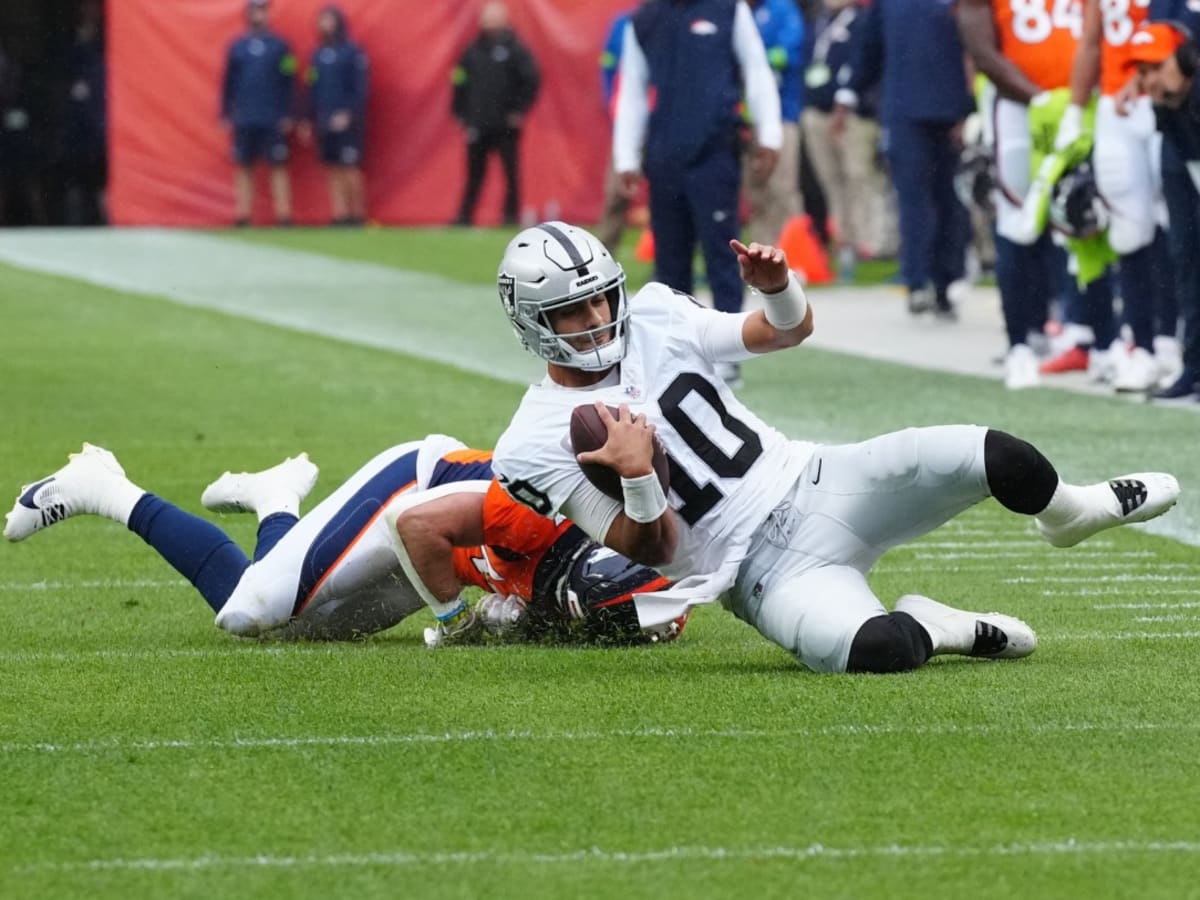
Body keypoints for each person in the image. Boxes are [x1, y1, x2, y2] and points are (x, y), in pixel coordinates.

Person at [491, 221, 1180, 674]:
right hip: (755, 572)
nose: (597, 320)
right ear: (531, 322)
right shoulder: (533, 440)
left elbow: (783, 333)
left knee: (997, 454)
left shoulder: (660, 316)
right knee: (879, 651)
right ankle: (937, 625)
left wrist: (779, 291)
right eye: (572, 312)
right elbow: (646, 547)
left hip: (817, 479)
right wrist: (639, 477)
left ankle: (1071, 511)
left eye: (602, 300)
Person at [3, 439, 683, 647]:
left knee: (299, 635)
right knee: (250, 610)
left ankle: (275, 501)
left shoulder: (619, 574)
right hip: (412, 494)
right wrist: (456, 623)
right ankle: (103, 487)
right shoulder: (538, 517)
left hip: (437, 552)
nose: (580, 619)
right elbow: (416, 524)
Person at [612, 0, 782, 387]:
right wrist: (626, 157)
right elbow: (633, 90)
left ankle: (729, 354)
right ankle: (677, 352)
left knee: (725, 254)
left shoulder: (727, 9)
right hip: (665, 154)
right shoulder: (644, 19)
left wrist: (768, 135)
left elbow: (757, 72)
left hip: (714, 151)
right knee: (671, 262)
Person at [1058, 0, 1180, 392]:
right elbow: (1092, 38)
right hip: (1118, 105)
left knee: (1176, 221)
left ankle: (1173, 339)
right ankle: (1142, 345)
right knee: (1130, 229)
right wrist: (1075, 109)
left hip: (1175, 100)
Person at [834, 0, 974, 319]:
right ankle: (918, 280)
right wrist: (849, 90)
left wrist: (971, 107)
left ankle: (946, 280)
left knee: (950, 199)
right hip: (905, 111)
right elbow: (869, 48)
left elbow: (976, 45)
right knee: (913, 200)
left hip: (951, 111)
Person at [1131, 21, 1200, 403]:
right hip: (1184, 166)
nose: (1150, 81)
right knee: (1186, 258)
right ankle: (1193, 368)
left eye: (1156, 68)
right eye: (1142, 73)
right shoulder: (1167, 107)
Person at [451, 2, 541, 227]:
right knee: (474, 173)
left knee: (510, 172)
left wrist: (518, 110)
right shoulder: (472, 49)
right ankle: (465, 215)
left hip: (505, 123)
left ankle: (510, 216)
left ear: (504, 18)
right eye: (487, 16)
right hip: (478, 122)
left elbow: (531, 79)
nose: (490, 20)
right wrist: (461, 111)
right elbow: (459, 79)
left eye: (494, 16)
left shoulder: (515, 48)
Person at [220, 0, 296, 227]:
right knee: (244, 166)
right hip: (245, 116)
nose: (259, 15)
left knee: (278, 165)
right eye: (255, 11)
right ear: (248, 14)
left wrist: (290, 113)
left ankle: (284, 215)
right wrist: (226, 113)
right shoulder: (237, 46)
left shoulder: (282, 46)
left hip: (273, 116)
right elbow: (228, 83)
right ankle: (243, 215)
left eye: (263, 11)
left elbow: (290, 80)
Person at [744, 0, 805, 247]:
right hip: (747, 120)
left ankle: (797, 253)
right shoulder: (735, 10)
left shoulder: (783, 10)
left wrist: (753, 57)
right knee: (756, 192)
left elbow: (788, 52)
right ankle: (762, 250)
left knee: (783, 188)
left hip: (782, 115)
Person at [303, 6, 369, 226]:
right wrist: (307, 118)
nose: (325, 25)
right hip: (324, 119)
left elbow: (360, 88)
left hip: (347, 120)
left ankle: (357, 214)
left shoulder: (352, 52)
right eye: (322, 20)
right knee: (332, 167)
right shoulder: (317, 55)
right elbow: (311, 88)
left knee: (350, 167)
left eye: (329, 20)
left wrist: (350, 113)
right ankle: (339, 214)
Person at [597, 7, 636, 252]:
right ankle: (602, 258)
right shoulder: (625, 23)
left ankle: (669, 263)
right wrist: (613, 104)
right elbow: (608, 67)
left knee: (670, 196)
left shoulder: (681, 20)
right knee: (616, 192)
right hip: (630, 122)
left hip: (666, 122)